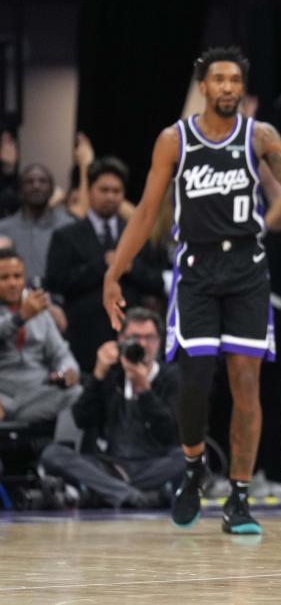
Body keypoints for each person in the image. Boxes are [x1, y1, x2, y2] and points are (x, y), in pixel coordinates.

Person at [102, 46, 281, 536]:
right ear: (203, 85)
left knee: (245, 384)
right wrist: (115, 272)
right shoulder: (173, 141)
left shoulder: (260, 136)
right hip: (195, 269)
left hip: (246, 270)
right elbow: (149, 210)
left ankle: (238, 496)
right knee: (195, 382)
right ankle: (193, 467)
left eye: (235, 80)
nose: (228, 88)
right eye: (219, 79)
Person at [40, 308, 183, 508]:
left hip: (153, 464)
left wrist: (144, 390)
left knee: (189, 457)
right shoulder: (111, 373)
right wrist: (98, 375)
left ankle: (108, 491)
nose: (142, 344)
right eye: (135, 337)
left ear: (159, 341)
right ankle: (132, 495)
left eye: (149, 338)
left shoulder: (171, 376)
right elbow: (82, 418)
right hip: (110, 465)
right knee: (52, 454)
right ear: (121, 340)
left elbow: (172, 433)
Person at [47, 157, 164, 373]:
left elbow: (158, 282)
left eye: (116, 191)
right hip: (83, 338)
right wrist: (102, 265)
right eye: (104, 190)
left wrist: (132, 268)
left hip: (131, 337)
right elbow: (55, 282)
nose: (111, 196)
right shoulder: (66, 235)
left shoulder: (138, 234)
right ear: (89, 190)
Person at [0, 248, 81, 439]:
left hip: (36, 394)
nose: (13, 283)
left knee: (76, 394)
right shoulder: (29, 309)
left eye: (17, 276)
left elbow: (60, 353)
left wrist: (68, 371)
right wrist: (19, 318)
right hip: (2, 395)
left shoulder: (38, 306)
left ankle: (63, 458)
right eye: (4, 278)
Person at [0, 163, 73, 280]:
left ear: (52, 189)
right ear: (19, 189)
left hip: (59, 295)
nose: (36, 186)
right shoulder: (3, 230)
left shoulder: (69, 226)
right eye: (29, 181)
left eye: (43, 181)